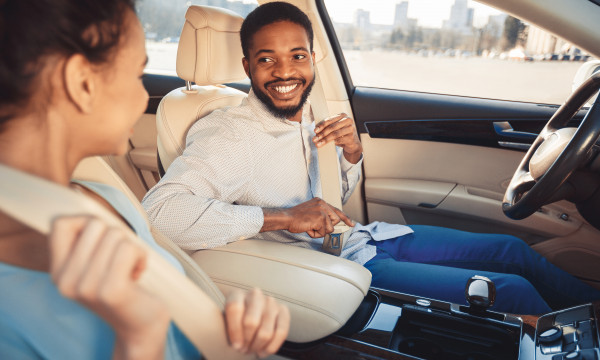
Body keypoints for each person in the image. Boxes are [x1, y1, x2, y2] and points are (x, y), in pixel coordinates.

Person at [142, 1, 600, 315]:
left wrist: (351, 157)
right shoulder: (228, 132)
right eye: (267, 60)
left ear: (312, 59)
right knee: (513, 292)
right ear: (248, 67)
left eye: (296, 56)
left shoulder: (299, 115)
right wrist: (282, 218)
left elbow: (328, 200)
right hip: (335, 266)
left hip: (364, 237)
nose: (285, 71)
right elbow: (160, 214)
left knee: (511, 249)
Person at [0, 0, 290, 359]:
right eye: (138, 75)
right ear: (82, 83)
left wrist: (227, 335)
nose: (143, 99)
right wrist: (138, 340)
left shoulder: (108, 199)